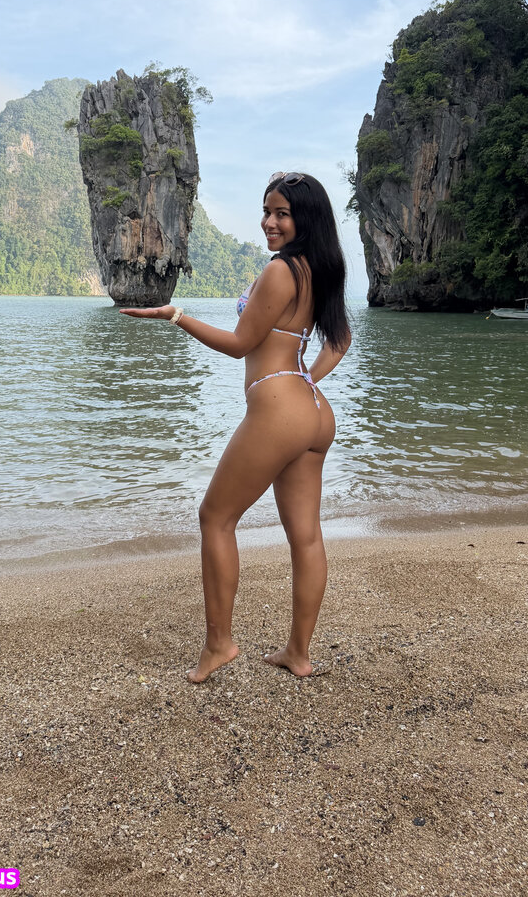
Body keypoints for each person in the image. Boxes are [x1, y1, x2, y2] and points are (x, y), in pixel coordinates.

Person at [120, 172, 351, 682]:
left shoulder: (281, 271)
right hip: (313, 412)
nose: (269, 222)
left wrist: (176, 316)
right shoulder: (320, 268)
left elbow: (240, 344)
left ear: (305, 219)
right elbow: (341, 340)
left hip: (279, 410)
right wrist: (304, 384)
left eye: (282, 214)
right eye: (267, 211)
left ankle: (220, 645)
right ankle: (298, 654)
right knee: (306, 537)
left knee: (215, 518)